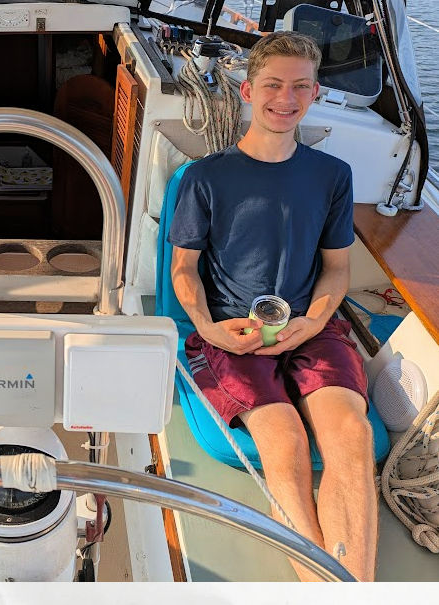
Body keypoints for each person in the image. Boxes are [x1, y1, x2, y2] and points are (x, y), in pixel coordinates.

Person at [169, 32, 376, 581]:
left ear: (314, 95)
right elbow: (183, 271)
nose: (286, 98)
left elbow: (335, 268)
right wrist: (209, 329)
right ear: (247, 90)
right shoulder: (205, 178)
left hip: (312, 325)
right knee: (283, 443)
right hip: (233, 332)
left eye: (300, 87)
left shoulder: (332, 176)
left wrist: (313, 320)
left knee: (350, 436)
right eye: (273, 85)